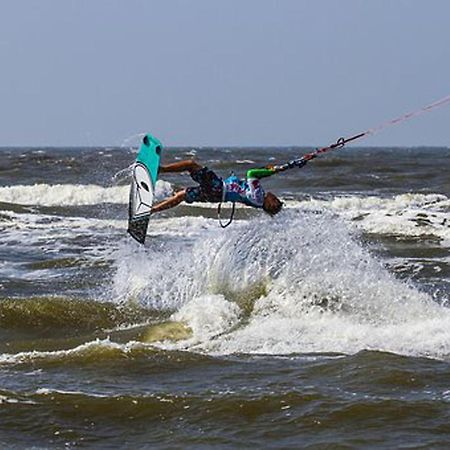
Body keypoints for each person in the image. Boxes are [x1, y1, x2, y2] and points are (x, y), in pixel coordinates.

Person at [150, 160, 283, 216]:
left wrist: (273, 171)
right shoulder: (258, 201)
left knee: (191, 165)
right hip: (216, 196)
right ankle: (152, 210)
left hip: (218, 188)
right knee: (182, 195)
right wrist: (268, 169)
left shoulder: (259, 196)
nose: (275, 198)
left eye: (276, 201)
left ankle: (160, 169)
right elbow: (254, 179)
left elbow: (252, 174)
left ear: (270, 205)